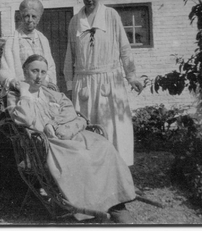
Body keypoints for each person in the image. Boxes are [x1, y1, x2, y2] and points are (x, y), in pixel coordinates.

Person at [7, 54, 137, 224]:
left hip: (67, 133)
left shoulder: (50, 92)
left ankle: (116, 204)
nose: (39, 76)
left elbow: (69, 110)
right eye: (34, 71)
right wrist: (24, 93)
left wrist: (54, 124)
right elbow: (24, 119)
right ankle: (92, 208)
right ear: (25, 71)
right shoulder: (15, 95)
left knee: (105, 147)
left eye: (43, 72)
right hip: (46, 143)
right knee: (81, 157)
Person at [63, 0, 143, 166]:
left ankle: (118, 171)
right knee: (86, 129)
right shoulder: (75, 21)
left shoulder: (111, 15)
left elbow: (124, 47)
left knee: (112, 127)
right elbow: (69, 55)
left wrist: (131, 76)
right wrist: (69, 84)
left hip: (109, 81)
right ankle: (91, 175)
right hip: (84, 82)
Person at [0, 0, 57, 95]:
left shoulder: (43, 40)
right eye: (26, 16)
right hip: (21, 91)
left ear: (38, 19)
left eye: (34, 16)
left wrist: (45, 80)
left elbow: (50, 67)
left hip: (41, 90)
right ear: (21, 17)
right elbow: (5, 69)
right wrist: (13, 82)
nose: (30, 20)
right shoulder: (12, 40)